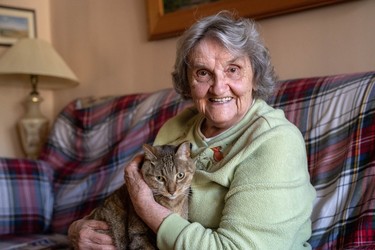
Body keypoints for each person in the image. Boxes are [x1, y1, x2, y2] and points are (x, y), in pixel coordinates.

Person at [68, 11, 316, 249]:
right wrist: (79, 230)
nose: (219, 88)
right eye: (203, 73)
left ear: (255, 76)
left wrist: (146, 206)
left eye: (233, 69)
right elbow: (123, 208)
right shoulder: (178, 127)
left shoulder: (275, 141)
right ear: (188, 82)